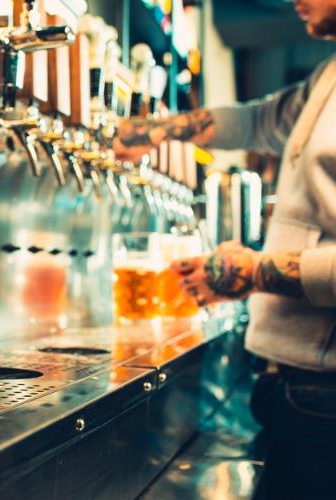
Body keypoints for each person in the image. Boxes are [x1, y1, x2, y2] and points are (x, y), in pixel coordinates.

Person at [113, 1, 336, 498]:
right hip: (296, 389)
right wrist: (152, 131)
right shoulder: (329, 75)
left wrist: (254, 271)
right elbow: (260, 121)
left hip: (324, 398)